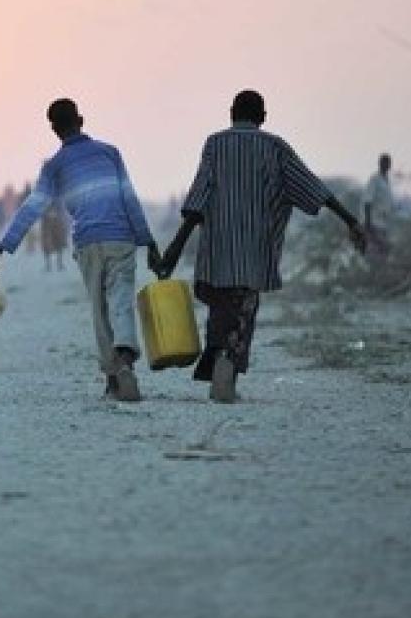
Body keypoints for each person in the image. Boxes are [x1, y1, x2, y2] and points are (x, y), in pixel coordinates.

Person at [156, 90, 367, 403]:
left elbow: (197, 199)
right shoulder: (275, 147)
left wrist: (175, 247)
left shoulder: (215, 144)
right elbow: (314, 188)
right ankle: (226, 370)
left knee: (220, 311)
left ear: (231, 112)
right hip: (254, 254)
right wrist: (351, 220)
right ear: (263, 117)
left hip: (217, 254)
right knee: (242, 313)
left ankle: (219, 369)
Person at [0, 100, 159, 401]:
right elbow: (129, 199)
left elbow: (33, 206)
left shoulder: (55, 166)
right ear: (81, 119)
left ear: (53, 128)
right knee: (121, 301)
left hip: (88, 240)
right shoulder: (110, 152)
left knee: (99, 309)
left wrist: (3, 248)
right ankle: (126, 359)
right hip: (121, 237)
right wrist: (149, 242)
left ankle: (113, 378)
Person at [363, 154, 396, 257]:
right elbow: (367, 201)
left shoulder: (387, 181)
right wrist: (368, 224)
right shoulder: (374, 179)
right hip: (374, 223)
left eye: (388, 163)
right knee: (375, 252)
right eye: (384, 162)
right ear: (379, 163)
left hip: (385, 223)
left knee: (384, 252)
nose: (386, 165)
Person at [40, 203, 69, 272]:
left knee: (59, 242)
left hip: (57, 221)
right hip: (47, 220)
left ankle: (59, 264)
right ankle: (48, 265)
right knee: (47, 243)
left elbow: (62, 207)